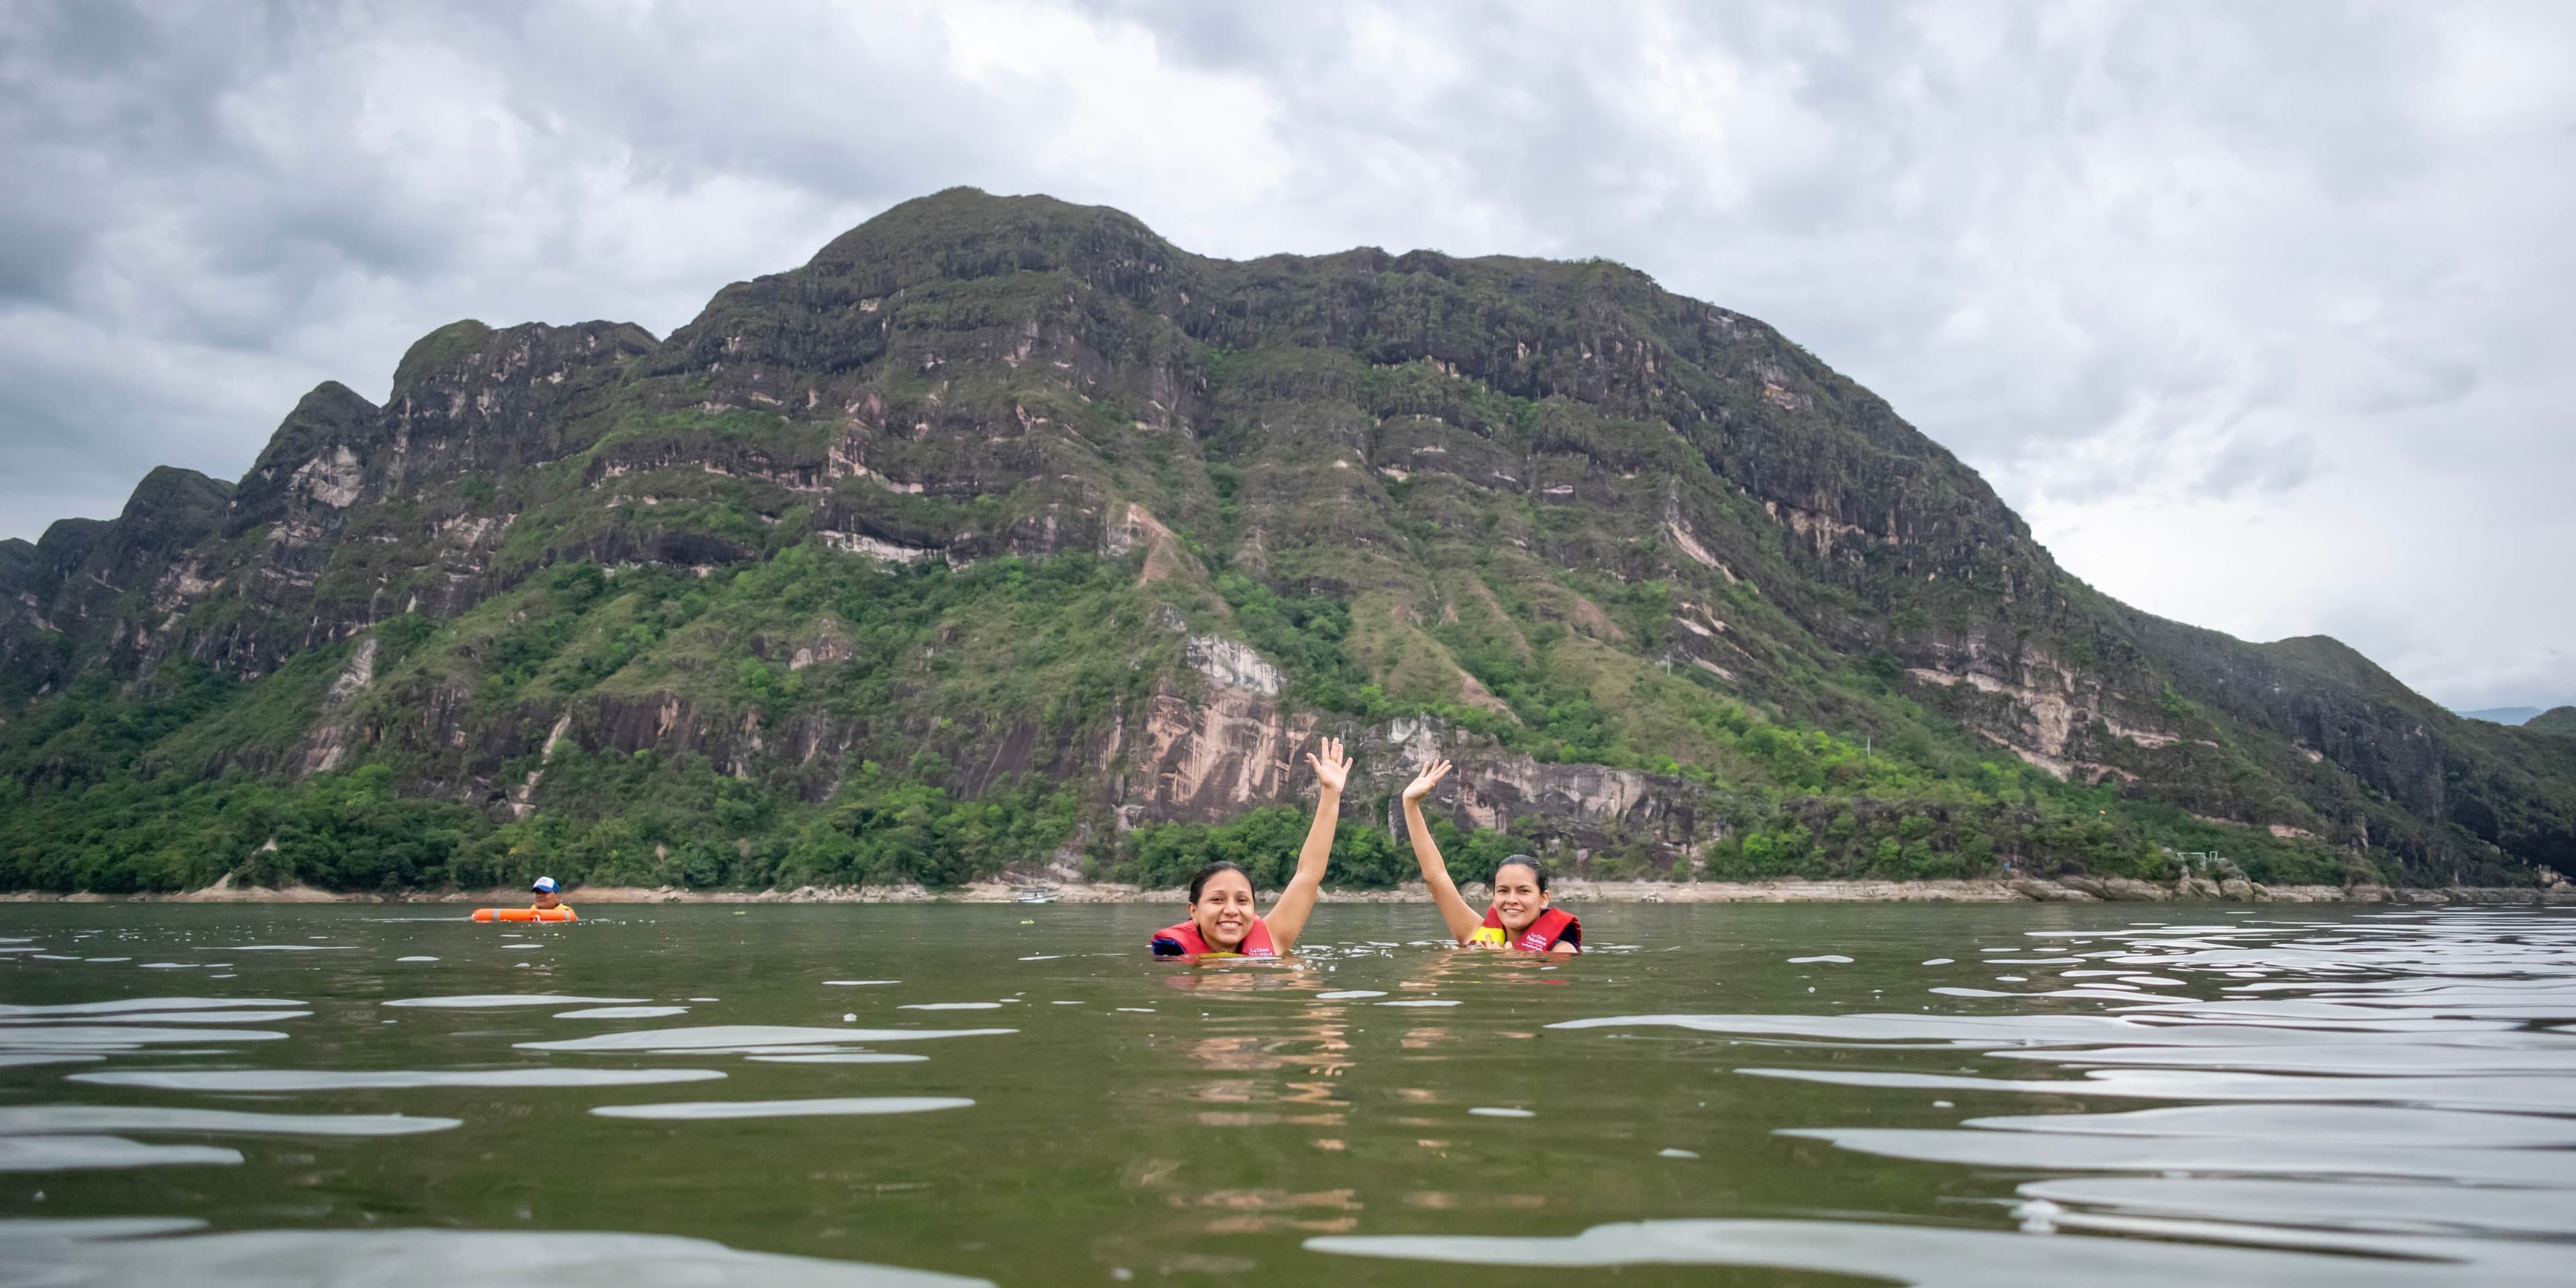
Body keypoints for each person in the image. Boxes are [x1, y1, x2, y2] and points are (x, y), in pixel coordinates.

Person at [1150, 737, 1353, 958]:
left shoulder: (1274, 938)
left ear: (1253, 909)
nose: (1231, 910)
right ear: (1194, 911)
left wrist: (1331, 794)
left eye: (1242, 900)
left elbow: (1309, 874)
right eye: (1217, 899)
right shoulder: (1175, 958)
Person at [1399, 759, 1579, 953]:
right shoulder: (1473, 932)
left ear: (1543, 899)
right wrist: (1410, 803)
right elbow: (1436, 875)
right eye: (1503, 891)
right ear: (1494, 897)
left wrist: (1517, 964)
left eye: (1523, 891)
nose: (1511, 899)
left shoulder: (1561, 951)